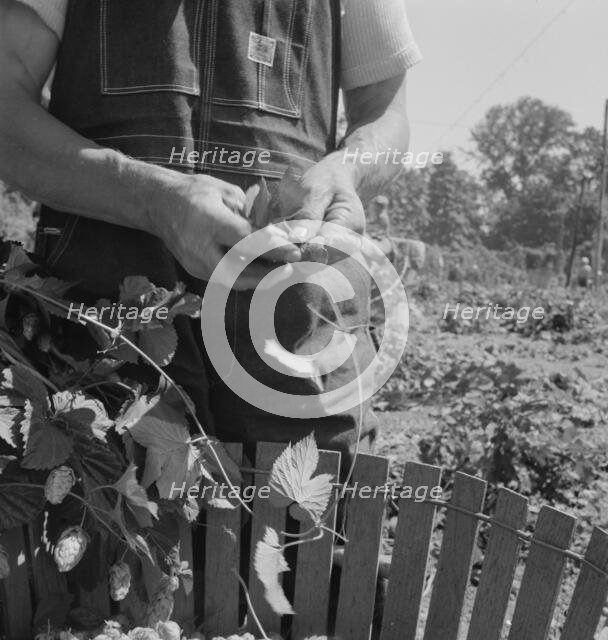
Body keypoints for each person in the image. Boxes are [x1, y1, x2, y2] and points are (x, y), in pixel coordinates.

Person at [0, 0, 421, 467]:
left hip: (296, 325)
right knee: (111, 514)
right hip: (104, 329)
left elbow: (386, 114)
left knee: (296, 519)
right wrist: (151, 198)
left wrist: (347, 172)